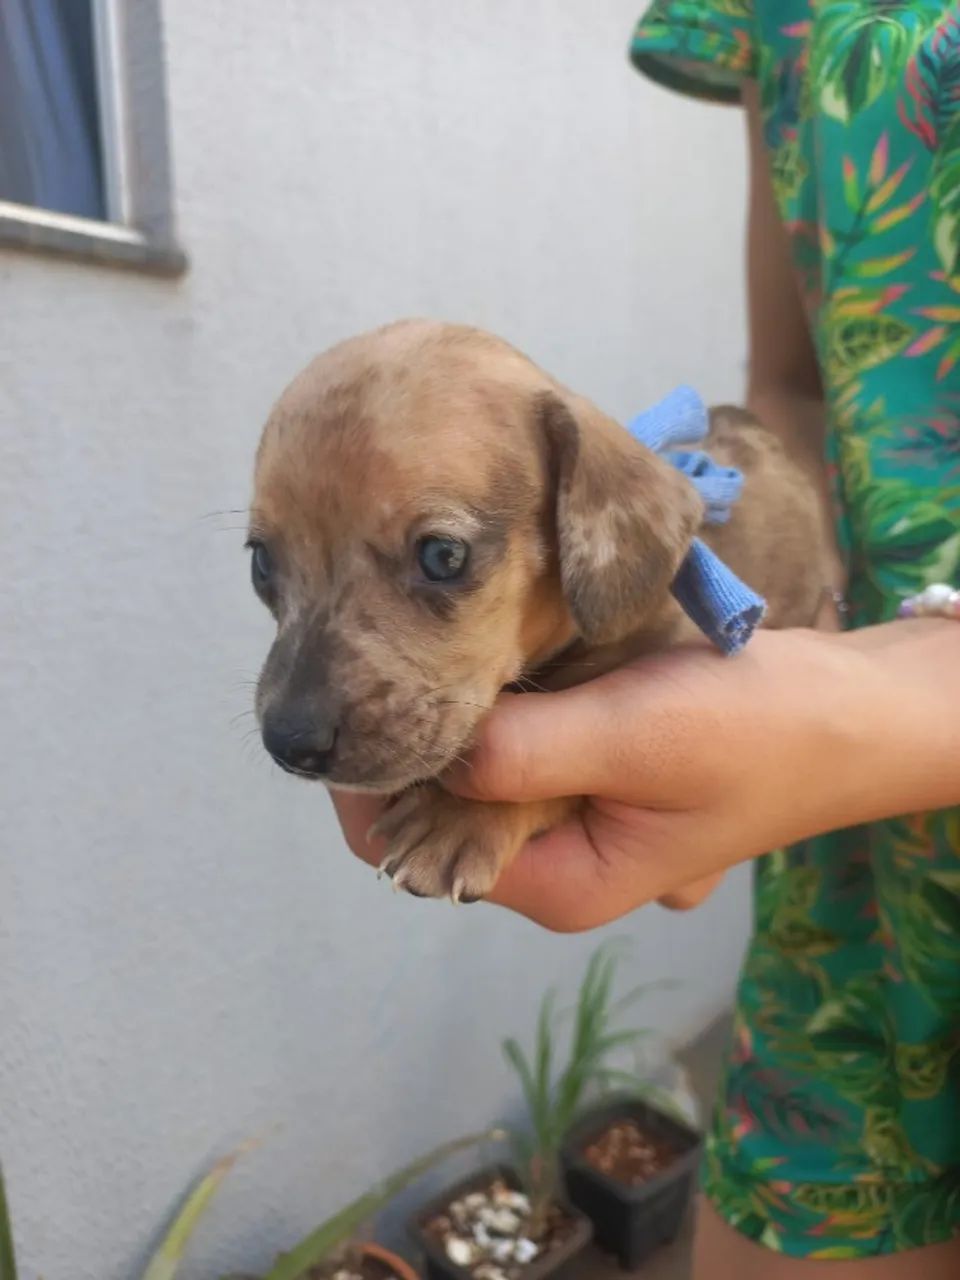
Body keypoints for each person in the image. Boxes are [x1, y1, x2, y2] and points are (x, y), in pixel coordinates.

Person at [334, 4, 960, 1275]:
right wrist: (788, 626)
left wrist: (873, 713)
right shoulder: (771, 11)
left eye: (437, 560)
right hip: (850, 888)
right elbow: (798, 391)